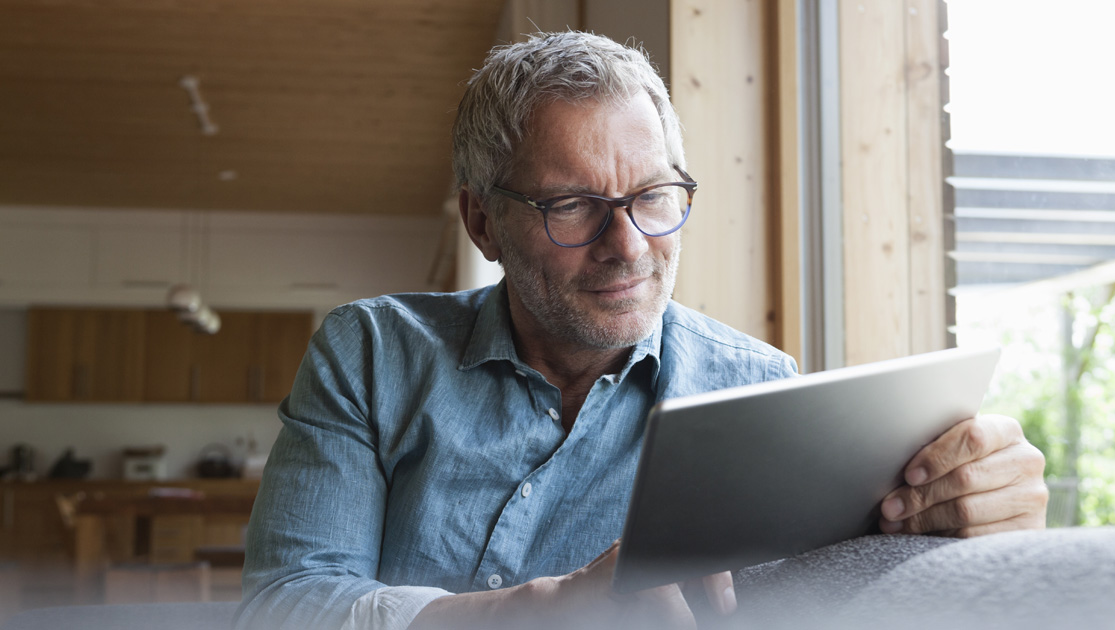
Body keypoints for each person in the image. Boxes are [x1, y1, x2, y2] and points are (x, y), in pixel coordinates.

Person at [236, 31, 1048, 630]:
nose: (627, 246)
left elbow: (823, 606)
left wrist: (968, 518)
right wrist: (542, 611)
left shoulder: (759, 388)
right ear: (483, 222)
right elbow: (282, 604)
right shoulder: (373, 354)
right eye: (572, 206)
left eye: (653, 197)